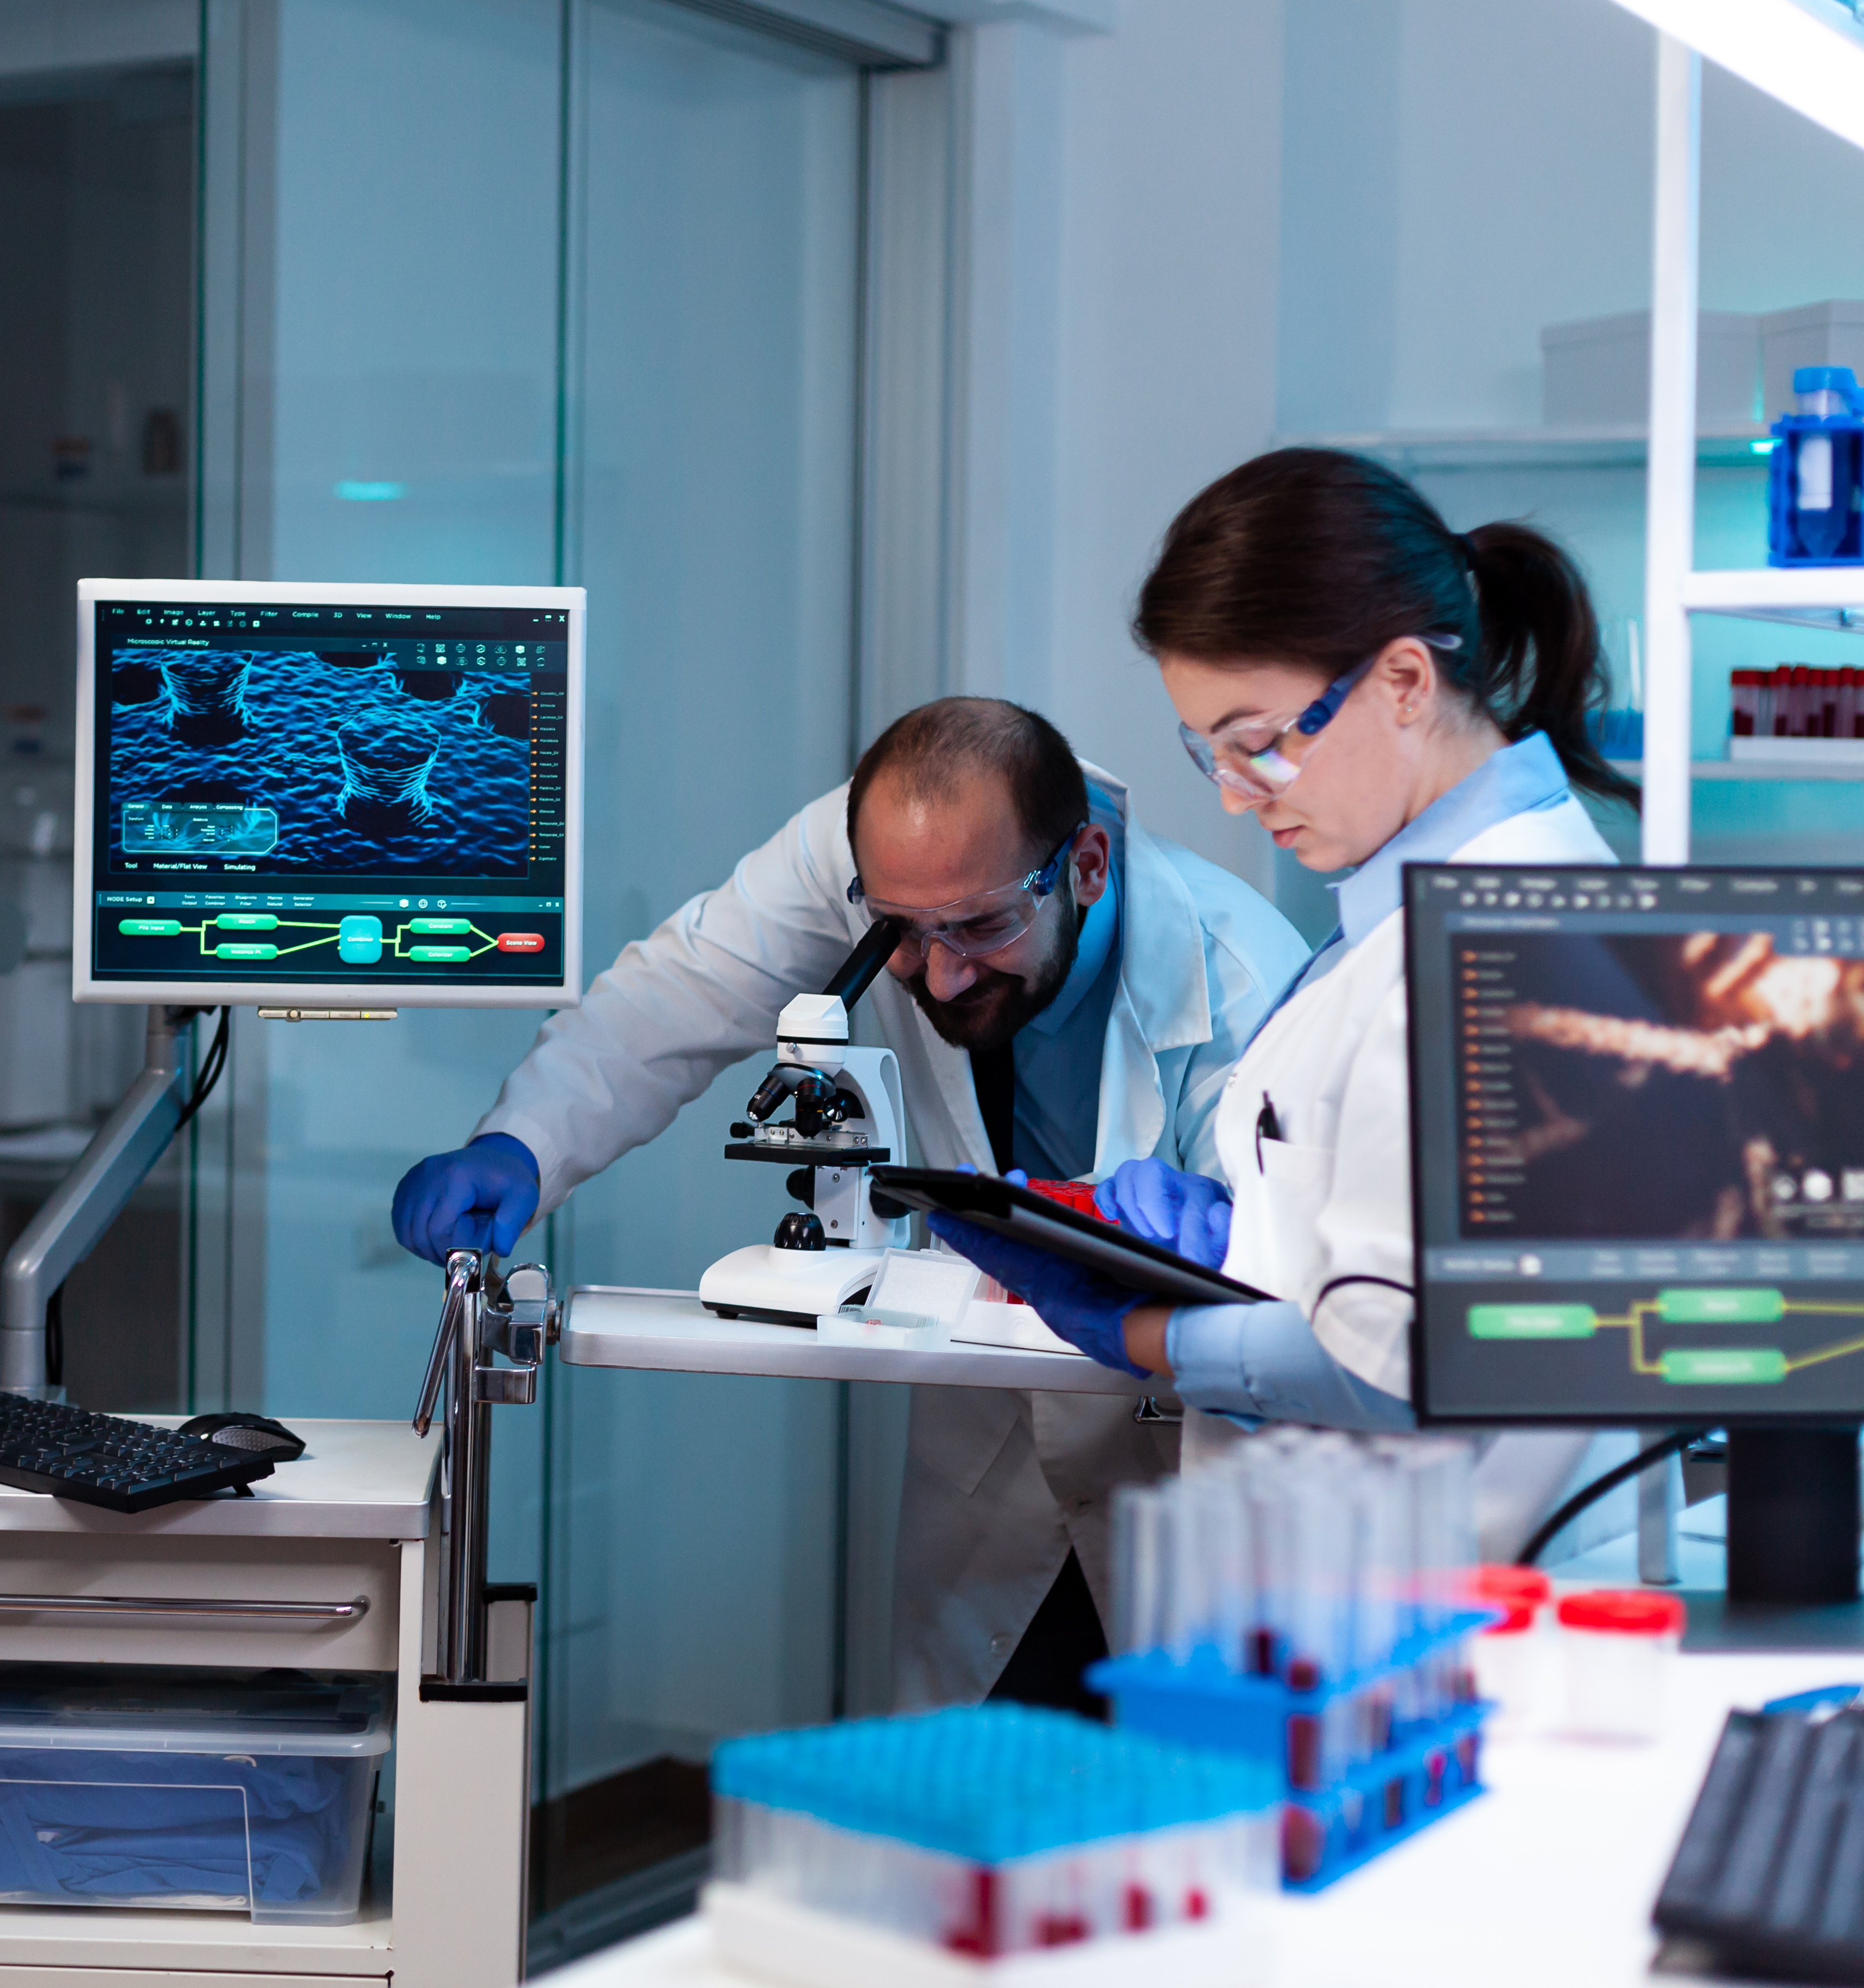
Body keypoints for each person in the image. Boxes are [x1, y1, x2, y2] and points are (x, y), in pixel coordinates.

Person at [391, 697, 1310, 1710]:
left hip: (1187, 1478)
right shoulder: (886, 852)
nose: (945, 974)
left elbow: (1291, 1316)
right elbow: (678, 993)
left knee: (1175, 1815)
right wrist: (522, 1144)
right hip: (993, 1478)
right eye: (903, 934)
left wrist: (1222, 1258)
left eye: (983, 926)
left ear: (1086, 867)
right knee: (963, 1815)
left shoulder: (1243, 985)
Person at [932, 447, 1641, 1556]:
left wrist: (1158, 1332)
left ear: (1406, 682)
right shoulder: (1406, 907)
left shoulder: (1503, 934)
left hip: (1438, 1601)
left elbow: (1417, 1361)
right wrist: (1238, 1248)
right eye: (1206, 749)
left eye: (1259, 744)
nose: (1228, 794)